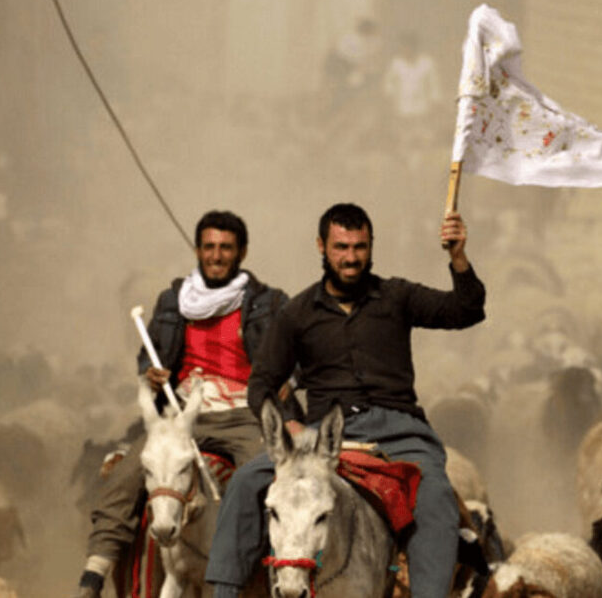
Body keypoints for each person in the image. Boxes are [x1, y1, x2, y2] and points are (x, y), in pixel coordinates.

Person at [205, 202, 486, 598]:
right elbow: (261, 384)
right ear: (322, 246)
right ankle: (225, 594)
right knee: (246, 482)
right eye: (341, 247)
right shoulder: (296, 314)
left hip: (401, 433)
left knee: (436, 495)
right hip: (325, 437)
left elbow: (467, 309)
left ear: (371, 247)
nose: (351, 258)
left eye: (359, 247)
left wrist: (458, 257)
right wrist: (290, 425)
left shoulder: (397, 296)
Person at [75, 210, 290, 598]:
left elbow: (295, 353)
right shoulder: (173, 301)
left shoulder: (269, 303)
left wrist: (287, 380)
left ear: (242, 252)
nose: (217, 256)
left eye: (226, 248)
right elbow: (151, 356)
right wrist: (152, 375)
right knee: (125, 475)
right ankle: (95, 573)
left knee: (265, 479)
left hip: (244, 413)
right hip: (183, 413)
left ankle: (271, 577)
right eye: (209, 247)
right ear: (197, 250)